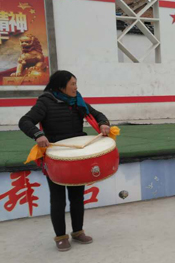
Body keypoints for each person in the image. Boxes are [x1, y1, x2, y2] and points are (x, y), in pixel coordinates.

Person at [19, 71, 111, 252]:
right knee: (58, 199)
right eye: (72, 84)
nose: (76, 87)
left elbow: (97, 114)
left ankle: (78, 232)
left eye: (76, 83)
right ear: (61, 86)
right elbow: (25, 121)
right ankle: (61, 237)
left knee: (77, 197)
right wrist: (38, 134)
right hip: (56, 158)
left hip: (77, 157)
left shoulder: (77, 101)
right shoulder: (45, 102)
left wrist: (103, 123)